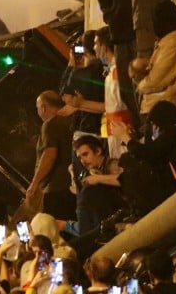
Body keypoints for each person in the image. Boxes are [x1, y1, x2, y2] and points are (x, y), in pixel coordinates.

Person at [110, 101, 176, 216]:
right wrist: (130, 138)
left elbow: (149, 153)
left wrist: (125, 137)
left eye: (154, 125)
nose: (154, 130)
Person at [25, 91, 75, 220]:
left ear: (43, 107)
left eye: (37, 108)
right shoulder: (69, 119)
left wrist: (34, 184)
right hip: (72, 182)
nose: (38, 112)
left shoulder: (50, 125)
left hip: (56, 187)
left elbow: (49, 155)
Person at [133, 1, 176, 116]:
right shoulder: (164, 42)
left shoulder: (172, 44)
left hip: (163, 109)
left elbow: (155, 81)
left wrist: (140, 87)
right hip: (153, 108)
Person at [71, 135, 124, 236]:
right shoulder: (94, 170)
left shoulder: (112, 165)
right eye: (80, 158)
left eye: (85, 154)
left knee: (89, 191)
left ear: (98, 151)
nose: (83, 161)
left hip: (121, 210)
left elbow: (125, 179)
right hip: (107, 214)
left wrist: (97, 179)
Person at [94, 27, 135, 159]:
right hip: (115, 132)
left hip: (123, 131)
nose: (94, 48)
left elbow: (123, 102)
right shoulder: (111, 71)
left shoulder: (117, 72)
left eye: (96, 43)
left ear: (104, 47)